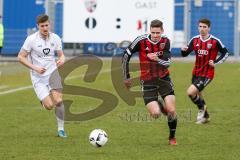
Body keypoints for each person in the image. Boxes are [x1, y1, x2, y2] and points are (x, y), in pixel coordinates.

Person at [122, 19, 178, 145]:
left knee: (172, 111)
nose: (156, 35)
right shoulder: (141, 41)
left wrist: (157, 59)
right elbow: (126, 55)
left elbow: (168, 63)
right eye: (153, 32)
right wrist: (126, 76)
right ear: (150, 31)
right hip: (147, 82)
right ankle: (159, 104)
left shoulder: (166, 41)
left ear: (162, 31)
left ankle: (172, 137)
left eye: (158, 33)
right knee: (155, 114)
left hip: (164, 79)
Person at [18, 14, 67, 138]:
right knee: (49, 106)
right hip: (38, 78)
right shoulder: (31, 40)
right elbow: (20, 57)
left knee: (59, 101)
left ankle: (61, 129)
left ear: (50, 24)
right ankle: (44, 101)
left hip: (53, 73)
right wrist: (35, 68)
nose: (45, 28)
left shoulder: (55, 38)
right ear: (38, 26)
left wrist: (62, 59)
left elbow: (61, 55)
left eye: (47, 25)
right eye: (42, 26)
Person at [181, 18, 229, 124]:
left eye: (204, 27)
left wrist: (215, 62)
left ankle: (201, 110)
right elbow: (185, 54)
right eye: (200, 26)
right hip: (196, 72)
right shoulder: (194, 40)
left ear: (209, 28)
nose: (202, 29)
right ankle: (206, 117)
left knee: (190, 92)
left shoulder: (215, 41)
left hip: (207, 73)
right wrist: (183, 50)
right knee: (198, 94)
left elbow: (225, 53)